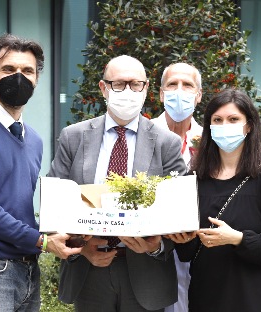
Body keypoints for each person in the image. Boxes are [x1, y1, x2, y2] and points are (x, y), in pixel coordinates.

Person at [0, 34, 81, 312]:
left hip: (27, 268)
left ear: (36, 79)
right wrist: (41, 241)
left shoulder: (34, 139)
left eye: (27, 71)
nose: (18, 77)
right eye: (9, 70)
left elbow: (19, 206)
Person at [48, 55, 187, 312]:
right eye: (119, 84)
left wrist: (156, 246)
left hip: (147, 274)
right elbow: (54, 205)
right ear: (103, 88)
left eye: (136, 84)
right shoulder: (73, 137)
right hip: (89, 271)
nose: (128, 91)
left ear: (146, 88)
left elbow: (180, 212)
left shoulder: (167, 143)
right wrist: (81, 247)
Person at [169, 88, 261, 312]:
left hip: (254, 296)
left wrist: (238, 239)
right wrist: (181, 238)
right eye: (218, 120)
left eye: (233, 119)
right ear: (209, 127)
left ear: (249, 126)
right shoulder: (193, 180)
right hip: (205, 295)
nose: (225, 125)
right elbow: (186, 254)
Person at [150, 62, 204, 312]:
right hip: (150, 251)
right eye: (172, 85)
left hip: (198, 251)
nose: (179, 91)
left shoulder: (209, 142)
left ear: (199, 95)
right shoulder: (142, 136)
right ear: (161, 94)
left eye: (187, 85)